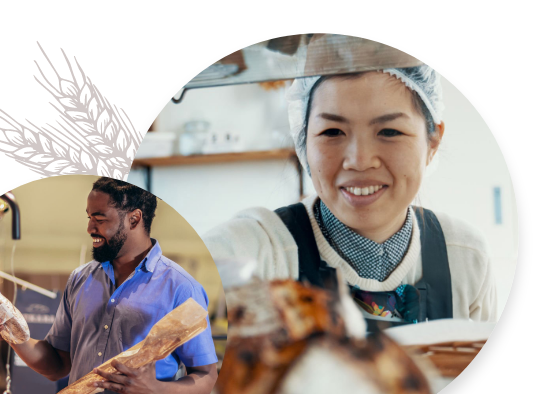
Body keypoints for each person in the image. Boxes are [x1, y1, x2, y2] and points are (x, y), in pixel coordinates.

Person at [203, 65, 496, 331]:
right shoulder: (253, 252)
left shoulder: (464, 257)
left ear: (432, 141)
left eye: (389, 131)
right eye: (332, 131)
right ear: (304, 140)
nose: (359, 160)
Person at [0, 178, 218, 394]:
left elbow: (206, 380)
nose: (90, 228)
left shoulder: (181, 288)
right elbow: (57, 363)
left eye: (99, 219)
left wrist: (154, 389)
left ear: (134, 218)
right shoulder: (80, 279)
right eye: (89, 217)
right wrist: (10, 332)